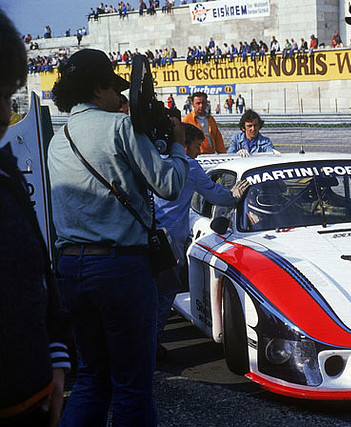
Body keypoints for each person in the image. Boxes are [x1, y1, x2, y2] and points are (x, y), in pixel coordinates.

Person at [47, 48, 189, 426]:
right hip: (121, 268)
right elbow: (170, 184)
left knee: (93, 379)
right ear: (98, 89)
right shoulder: (119, 127)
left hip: (72, 269)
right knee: (132, 385)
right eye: (115, 88)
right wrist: (176, 143)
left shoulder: (58, 140)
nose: (121, 98)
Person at [0, 10, 71, 426]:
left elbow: (39, 271)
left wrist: (57, 355)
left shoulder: (6, 171)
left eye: (9, 98)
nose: (3, 115)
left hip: (35, 397)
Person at [155, 124, 248, 358]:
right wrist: (233, 196)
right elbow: (216, 195)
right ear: (184, 146)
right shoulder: (189, 165)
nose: (199, 151)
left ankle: (146, 340)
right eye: (197, 146)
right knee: (166, 291)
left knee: (149, 292)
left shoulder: (156, 161)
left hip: (149, 235)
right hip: (171, 239)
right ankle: (152, 343)